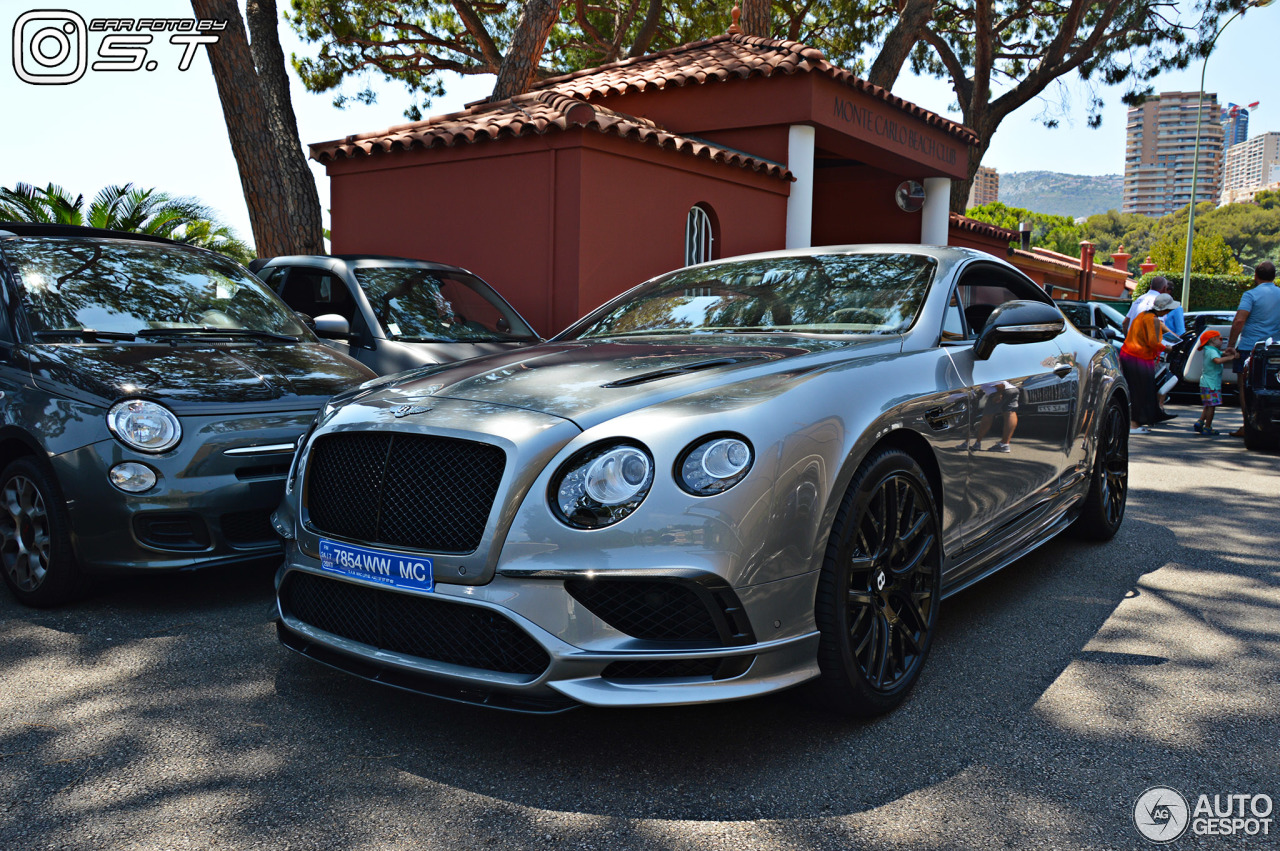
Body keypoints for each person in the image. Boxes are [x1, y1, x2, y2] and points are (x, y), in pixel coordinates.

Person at [1226, 261, 1280, 437]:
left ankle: (1248, 426)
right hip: (1275, 350)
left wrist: (1231, 345)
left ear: (1255, 275)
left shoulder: (1250, 295)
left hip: (1251, 348)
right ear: (1274, 276)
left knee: (1245, 388)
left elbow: (1239, 320)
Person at [1120, 291, 1179, 433]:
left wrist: (1171, 337)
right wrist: (1167, 348)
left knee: (1136, 389)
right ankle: (1133, 423)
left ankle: (1133, 422)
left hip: (1129, 354)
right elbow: (1153, 342)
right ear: (1164, 309)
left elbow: (1158, 331)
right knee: (1139, 390)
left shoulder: (1144, 315)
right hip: (1138, 357)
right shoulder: (1152, 319)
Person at [1193, 329, 1235, 436]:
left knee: (1207, 405)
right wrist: (1232, 357)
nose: (1222, 341)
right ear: (1212, 340)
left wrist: (1228, 353)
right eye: (1220, 339)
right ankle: (1207, 427)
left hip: (1206, 383)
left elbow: (1222, 353)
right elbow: (1217, 360)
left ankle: (1200, 421)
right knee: (1212, 406)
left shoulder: (1210, 349)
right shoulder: (1212, 351)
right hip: (1211, 384)